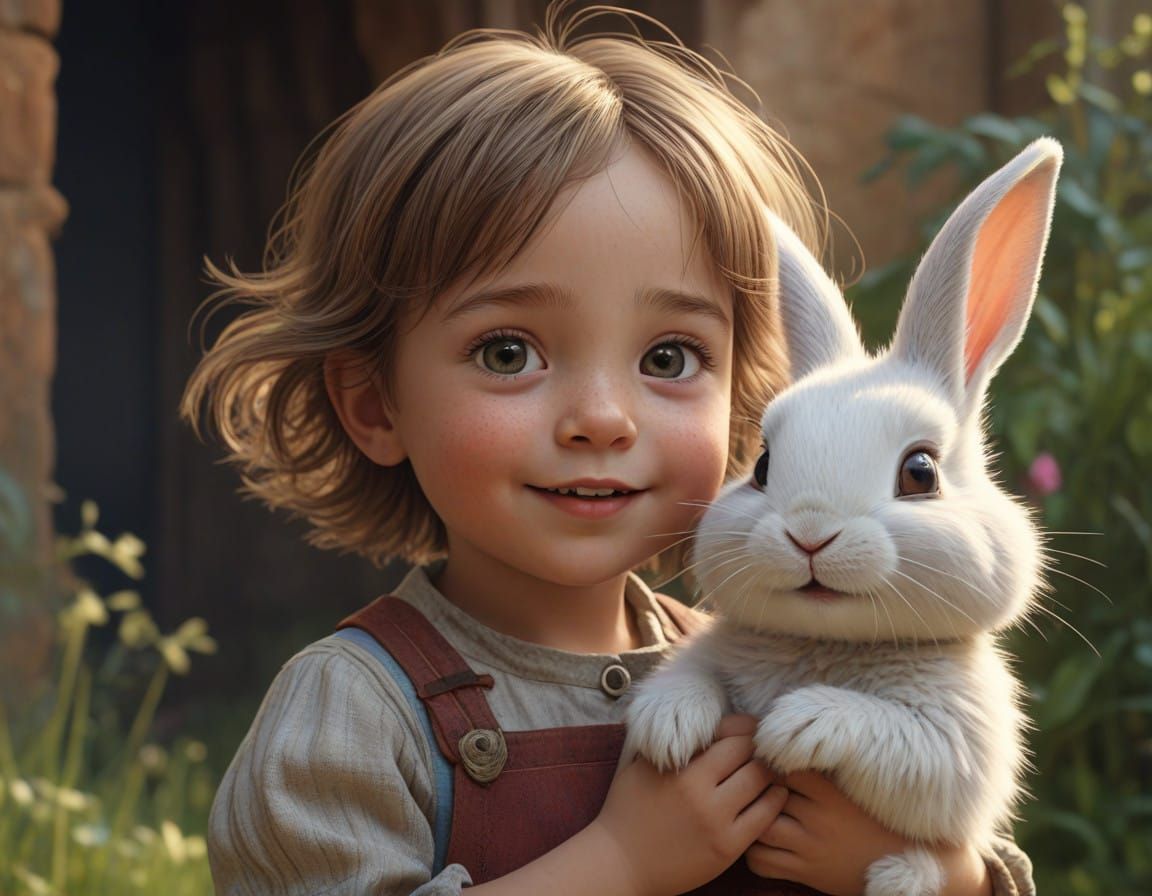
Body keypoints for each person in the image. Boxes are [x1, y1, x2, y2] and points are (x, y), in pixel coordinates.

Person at [183, 4, 1035, 895]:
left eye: (668, 359)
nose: (601, 418)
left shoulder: (749, 650)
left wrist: (943, 873)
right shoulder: (353, 715)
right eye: (509, 352)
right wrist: (621, 861)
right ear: (374, 403)